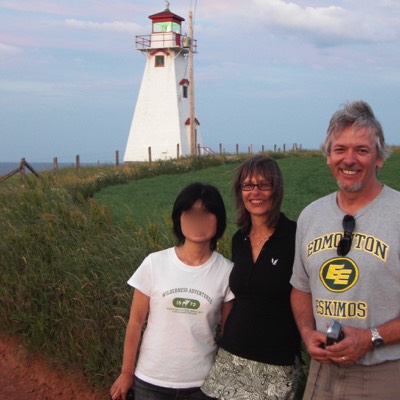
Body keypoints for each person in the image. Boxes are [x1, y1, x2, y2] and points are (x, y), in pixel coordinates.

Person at [290, 100, 400, 399]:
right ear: (328, 156)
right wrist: (306, 333)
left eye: (361, 150)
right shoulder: (311, 216)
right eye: (340, 149)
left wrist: (370, 338)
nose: (349, 159)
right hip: (322, 372)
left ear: (379, 158)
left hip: (385, 372)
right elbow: (301, 289)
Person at [109, 182, 234, 400]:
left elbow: (229, 333)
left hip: (202, 384)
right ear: (179, 218)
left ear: (219, 220)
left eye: (205, 213)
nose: (197, 220)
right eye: (190, 213)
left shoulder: (227, 271)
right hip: (150, 381)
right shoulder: (154, 263)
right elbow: (136, 322)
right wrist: (126, 373)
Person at [202, 155, 301, 399]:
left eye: (264, 184)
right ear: (240, 191)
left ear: (276, 189)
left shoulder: (295, 236)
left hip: (277, 362)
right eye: (247, 185)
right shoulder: (240, 239)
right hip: (232, 356)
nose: (255, 192)